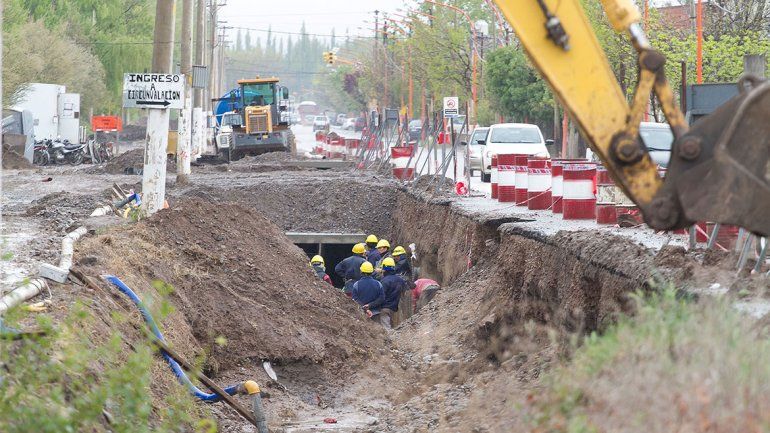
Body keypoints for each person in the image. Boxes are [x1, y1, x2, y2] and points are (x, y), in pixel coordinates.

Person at [379, 257, 407, 329]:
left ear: (384, 268)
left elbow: (381, 296)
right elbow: (405, 293)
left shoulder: (384, 281)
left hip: (385, 308)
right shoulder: (400, 280)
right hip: (396, 309)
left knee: (387, 329)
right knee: (396, 329)